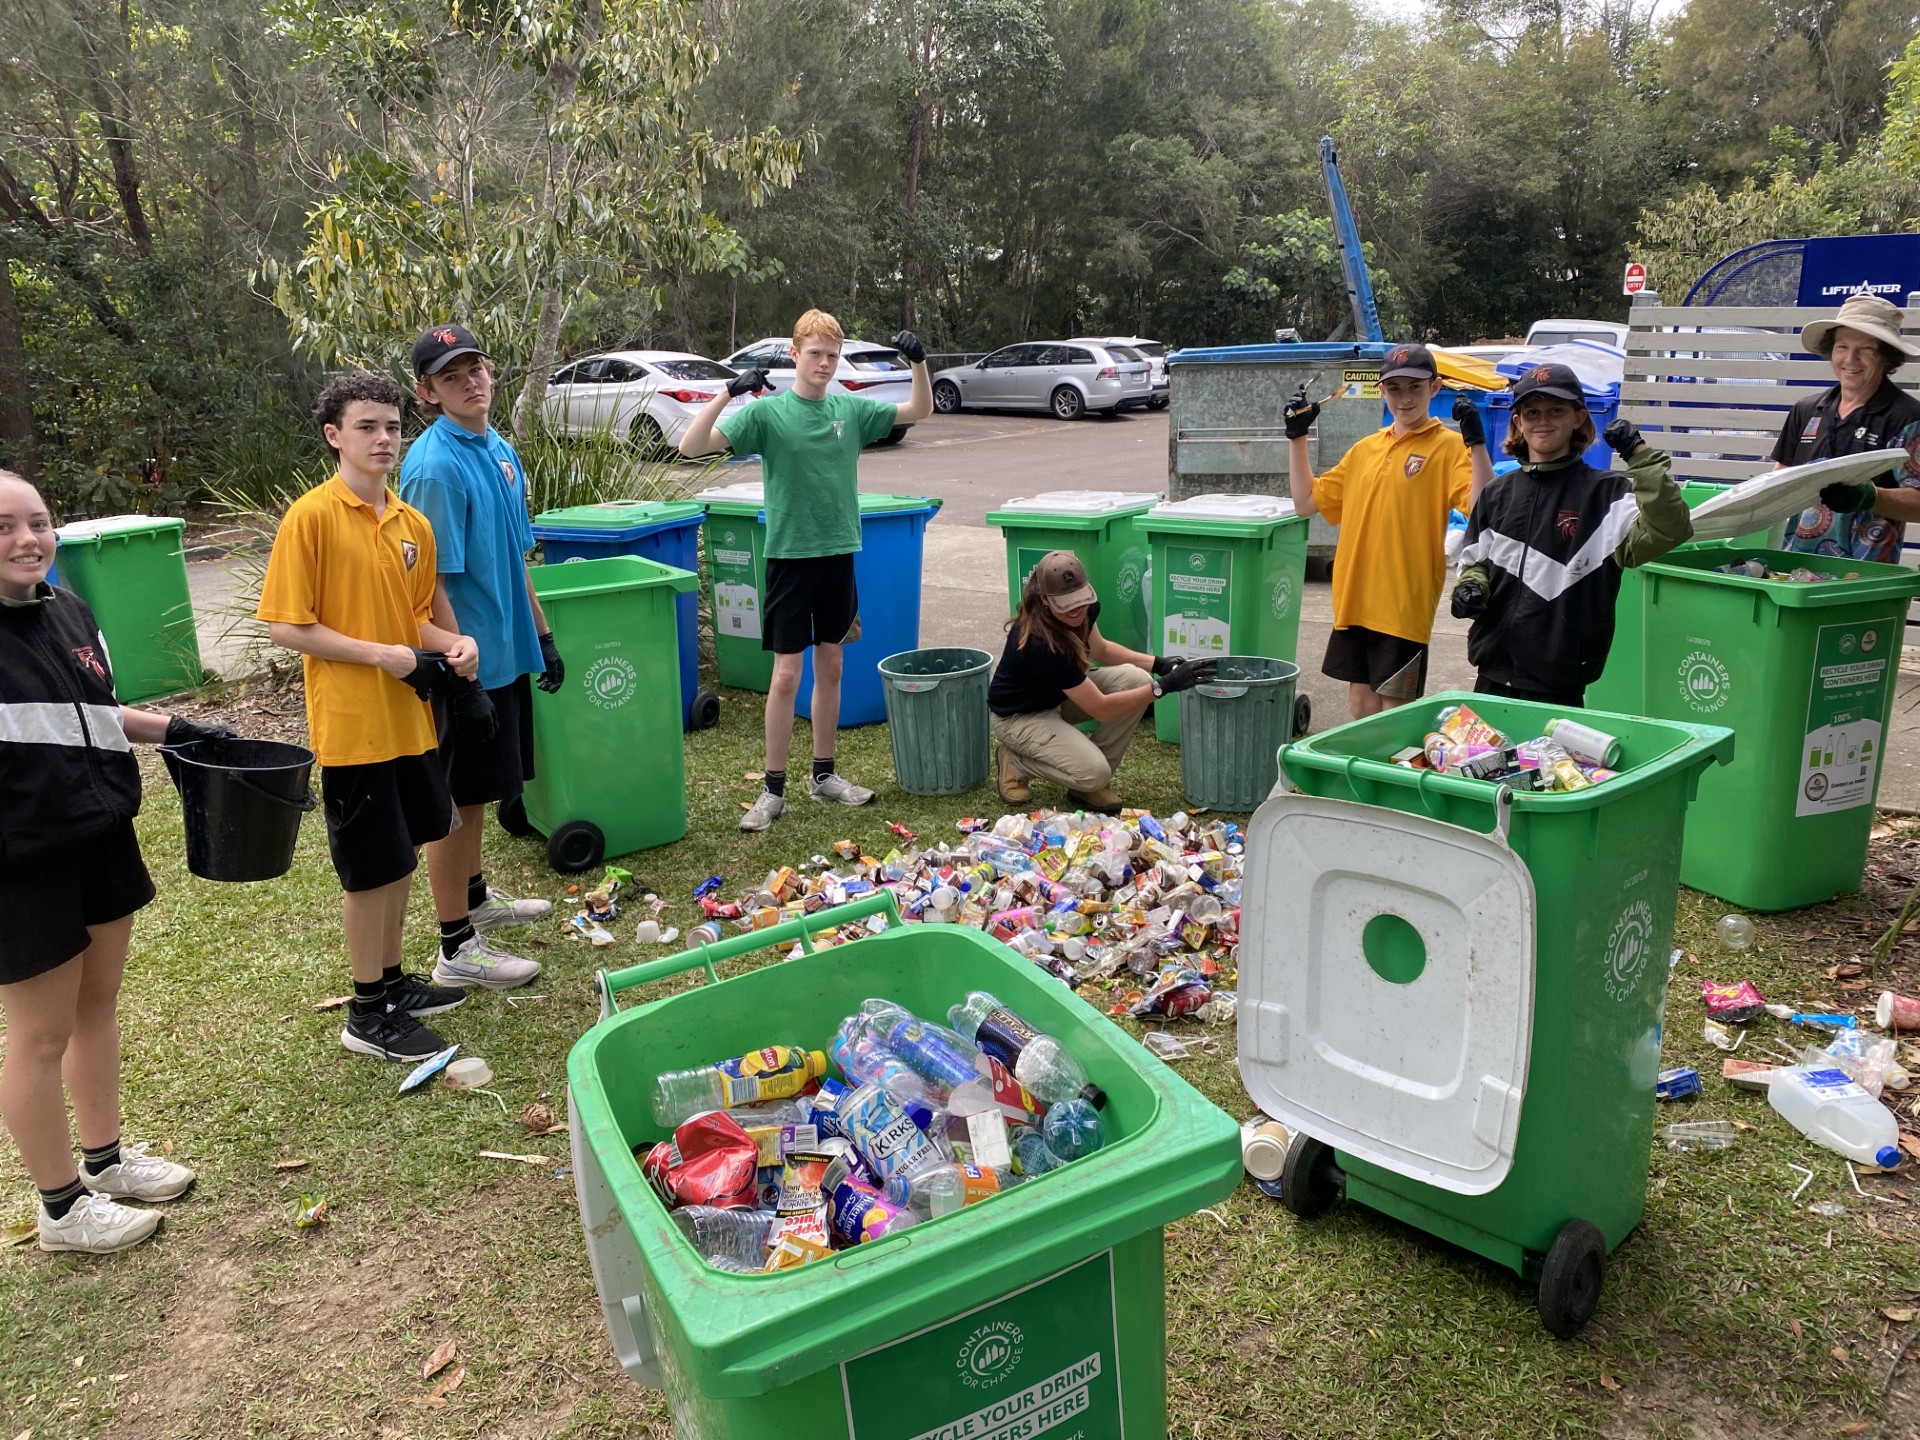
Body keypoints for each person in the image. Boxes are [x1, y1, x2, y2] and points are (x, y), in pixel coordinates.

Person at [0, 470, 220, 1252]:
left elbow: (89, 712)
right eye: (4, 527)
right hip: (24, 861)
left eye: (38, 521)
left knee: (98, 1004)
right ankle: (60, 1209)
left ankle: (105, 1161)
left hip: (101, 831)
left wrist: (175, 730)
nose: (27, 540)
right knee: (38, 1035)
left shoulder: (69, 610)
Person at [258, 371, 480, 1063]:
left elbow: (413, 618)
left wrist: (453, 642)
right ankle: (365, 1012)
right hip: (353, 729)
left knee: (403, 853)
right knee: (368, 869)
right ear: (334, 436)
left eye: (392, 427)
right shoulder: (312, 518)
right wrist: (378, 656)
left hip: (410, 720)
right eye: (367, 427)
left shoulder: (411, 523)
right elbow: (287, 625)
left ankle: (392, 982)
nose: (384, 439)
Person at [679, 310, 933, 830]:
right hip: (789, 559)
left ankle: (823, 777)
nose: (824, 363)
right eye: (815, 353)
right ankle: (772, 790)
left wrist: (919, 363)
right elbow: (690, 447)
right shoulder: (768, 414)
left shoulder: (850, 409)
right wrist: (730, 392)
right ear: (795, 354)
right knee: (787, 674)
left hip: (838, 554)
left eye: (832, 356)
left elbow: (919, 410)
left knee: (833, 665)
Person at [398, 324, 556, 989]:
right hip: (468, 664)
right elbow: (429, 581)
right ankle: (455, 947)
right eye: (452, 375)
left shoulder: (498, 448)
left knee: (484, 791)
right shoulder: (434, 466)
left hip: (505, 651)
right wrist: (462, 677)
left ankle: (476, 898)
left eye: (477, 368)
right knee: (459, 800)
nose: (471, 382)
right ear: (427, 392)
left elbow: (516, 555)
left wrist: (541, 635)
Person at [1449, 363, 1692, 707]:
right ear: (1518, 422)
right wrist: (1471, 587)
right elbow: (1475, 561)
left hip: (1558, 685)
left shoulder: (1607, 495)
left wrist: (1640, 456)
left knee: (1550, 764)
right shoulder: (1498, 493)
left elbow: (1670, 529)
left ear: (1578, 417)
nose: (1543, 420)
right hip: (1490, 673)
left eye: (1556, 410)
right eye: (1531, 412)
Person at [1284, 343, 1493, 718]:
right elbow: (1306, 503)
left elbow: (1483, 509)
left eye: (1415, 387)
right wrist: (1296, 437)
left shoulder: (1448, 447)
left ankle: (1390, 778)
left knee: (1393, 715)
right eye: (1395, 388)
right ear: (1382, 391)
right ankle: (1363, 779)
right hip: (1354, 600)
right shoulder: (1365, 449)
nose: (1405, 398)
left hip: (1402, 606)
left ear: (1435, 387)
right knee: (1360, 706)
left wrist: (1477, 445)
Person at [988, 551, 1217, 810]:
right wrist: (1164, 686)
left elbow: (1102, 650)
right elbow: (1101, 708)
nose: (1077, 610)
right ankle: (1016, 762)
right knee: (1095, 771)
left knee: (1136, 680)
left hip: (1058, 695)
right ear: (1043, 599)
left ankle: (1088, 786)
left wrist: (1159, 664)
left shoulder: (1085, 607)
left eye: (1081, 601)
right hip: (1019, 717)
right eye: (1067, 604)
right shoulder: (1040, 642)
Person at [1773, 293, 1920, 561]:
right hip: (1793, 570)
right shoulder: (1806, 410)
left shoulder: (1908, 417)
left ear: (1887, 357)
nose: (1850, 359)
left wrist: (1868, 496)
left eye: (1866, 349)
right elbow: (1778, 481)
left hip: (1863, 578)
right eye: (1842, 347)